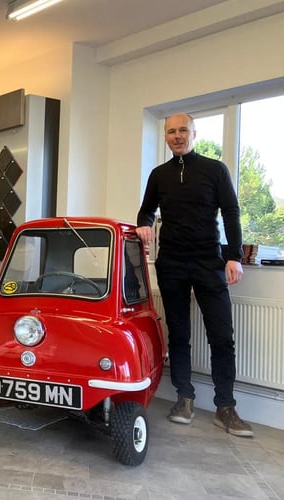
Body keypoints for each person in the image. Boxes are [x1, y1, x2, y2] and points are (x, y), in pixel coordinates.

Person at [136, 112, 253, 437]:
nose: (177, 135)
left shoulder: (215, 170)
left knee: (221, 336)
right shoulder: (159, 174)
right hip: (172, 262)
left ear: (194, 133)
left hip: (208, 262)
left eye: (182, 130)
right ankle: (183, 398)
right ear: (165, 136)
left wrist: (233, 257)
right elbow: (146, 210)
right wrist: (144, 225)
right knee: (179, 334)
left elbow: (231, 211)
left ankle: (225, 407)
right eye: (171, 131)